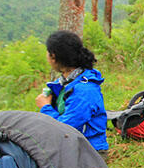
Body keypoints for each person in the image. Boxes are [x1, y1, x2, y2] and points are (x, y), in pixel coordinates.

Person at [36, 30, 109, 158]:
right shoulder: (67, 82)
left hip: (89, 153)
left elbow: (64, 129)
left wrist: (45, 107)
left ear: (53, 56)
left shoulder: (84, 91)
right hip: (72, 146)